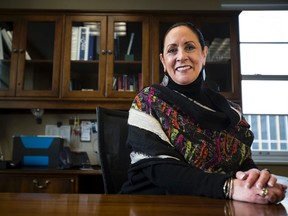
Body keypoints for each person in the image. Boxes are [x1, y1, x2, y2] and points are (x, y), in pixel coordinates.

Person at [120, 22, 287, 204]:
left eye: (190, 47)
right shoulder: (148, 100)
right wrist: (229, 187)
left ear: (204, 54)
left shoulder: (229, 109)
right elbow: (161, 169)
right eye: (172, 50)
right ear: (163, 61)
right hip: (152, 205)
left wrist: (256, 179)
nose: (181, 56)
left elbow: (243, 163)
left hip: (215, 204)